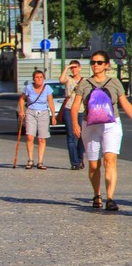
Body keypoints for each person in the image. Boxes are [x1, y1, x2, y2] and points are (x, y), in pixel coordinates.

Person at [70, 51, 132, 211]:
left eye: (98, 62)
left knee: (110, 160)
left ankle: (110, 198)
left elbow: (125, 105)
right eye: (92, 62)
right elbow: (75, 105)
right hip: (90, 126)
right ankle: (97, 194)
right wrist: (75, 125)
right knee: (93, 164)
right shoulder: (84, 84)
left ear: (106, 65)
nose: (95, 65)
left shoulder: (115, 83)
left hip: (111, 125)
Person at [18, 69, 56, 170]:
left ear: (43, 79)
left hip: (43, 113)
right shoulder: (28, 88)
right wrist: (21, 111)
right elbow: (22, 99)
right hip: (31, 112)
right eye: (37, 77)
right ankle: (30, 160)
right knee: (30, 137)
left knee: (41, 139)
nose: (39, 79)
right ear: (33, 79)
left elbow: (51, 102)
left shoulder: (47, 88)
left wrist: (53, 116)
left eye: (41, 77)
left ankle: (40, 161)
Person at [59, 60, 86, 170]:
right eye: (72, 68)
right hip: (69, 109)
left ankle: (80, 159)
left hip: (81, 110)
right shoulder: (68, 79)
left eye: (75, 67)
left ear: (80, 68)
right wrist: (66, 67)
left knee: (82, 136)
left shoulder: (85, 80)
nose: (74, 69)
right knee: (70, 136)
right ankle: (74, 163)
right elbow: (61, 80)